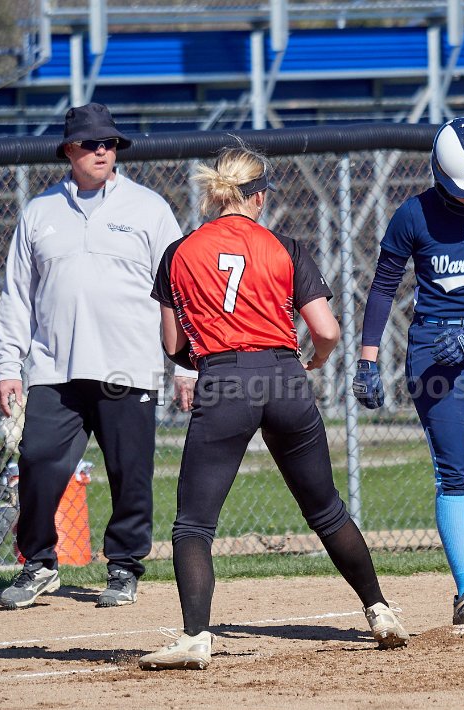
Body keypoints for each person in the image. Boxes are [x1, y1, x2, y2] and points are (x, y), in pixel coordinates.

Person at [139, 146, 408, 670]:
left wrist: (212, 354)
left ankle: (195, 637)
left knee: (194, 524)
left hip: (225, 378)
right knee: (326, 510)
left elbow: (173, 343)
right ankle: (379, 611)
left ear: (214, 193)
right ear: (258, 197)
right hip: (285, 376)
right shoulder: (285, 246)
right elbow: (326, 330)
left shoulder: (178, 252)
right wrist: (315, 358)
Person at [0, 102, 185, 610]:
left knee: (130, 474)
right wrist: (8, 366)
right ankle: (39, 563)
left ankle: (123, 567)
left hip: (128, 366)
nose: (102, 151)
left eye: (109, 143)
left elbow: (180, 292)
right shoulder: (39, 212)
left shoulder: (149, 209)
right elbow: (16, 296)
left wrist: (185, 364)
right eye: (91, 143)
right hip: (54, 367)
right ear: (68, 150)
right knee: (37, 461)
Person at [352, 116, 464, 625]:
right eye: (463, 192)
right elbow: (383, 287)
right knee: (454, 472)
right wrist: (367, 359)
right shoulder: (414, 215)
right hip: (433, 348)